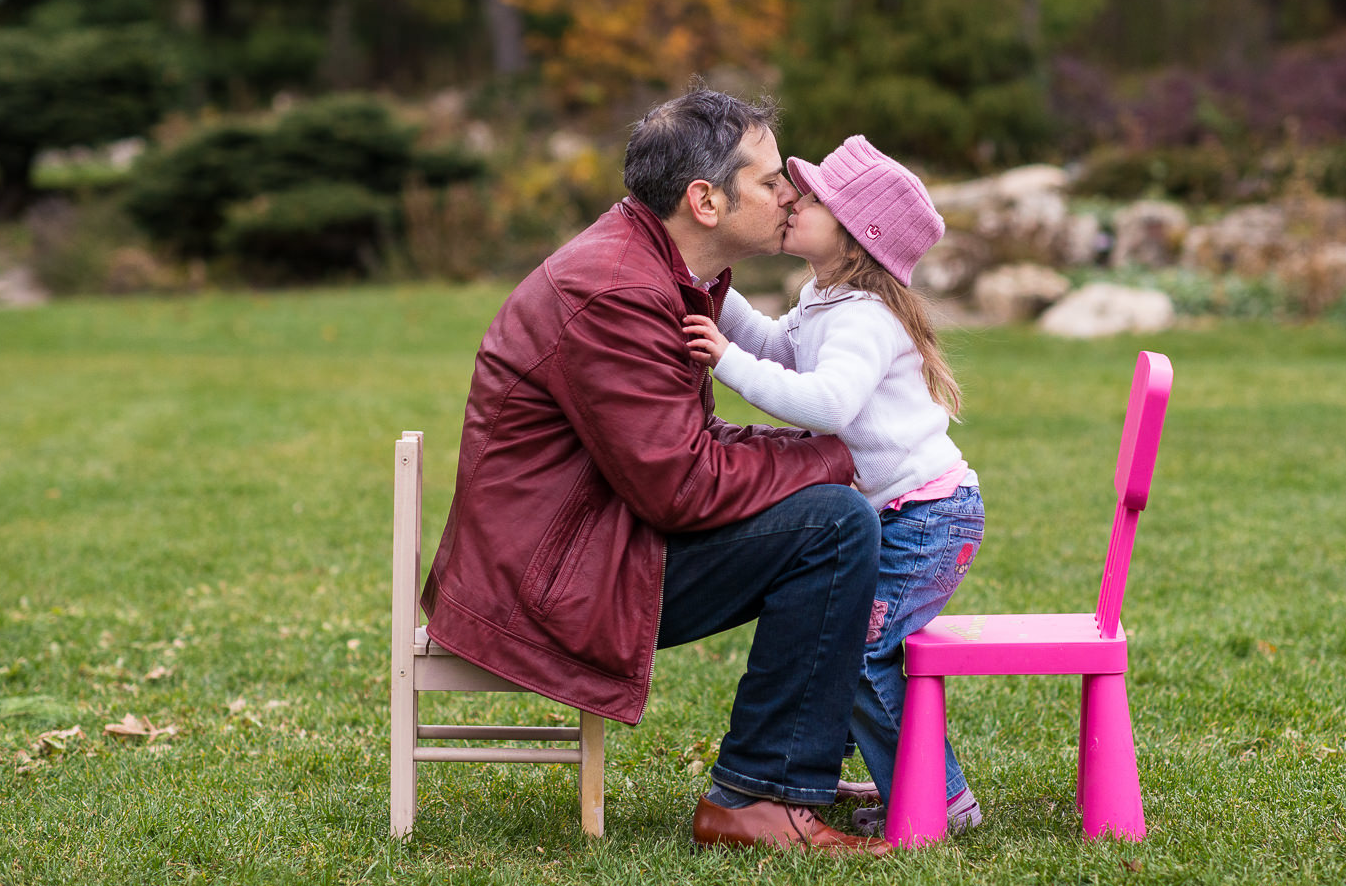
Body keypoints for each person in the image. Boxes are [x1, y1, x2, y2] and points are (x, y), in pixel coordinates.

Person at [421, 88, 893, 855]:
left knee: (829, 509)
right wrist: (835, 459)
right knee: (835, 527)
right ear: (705, 200)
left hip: (587, 539)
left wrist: (815, 461)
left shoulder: (658, 268)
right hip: (549, 580)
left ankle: (782, 775)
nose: (789, 194)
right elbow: (680, 486)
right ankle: (759, 797)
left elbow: (680, 444)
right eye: (771, 180)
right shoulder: (615, 290)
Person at [683, 134, 986, 837]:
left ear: (855, 233)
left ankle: (941, 801)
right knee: (854, 648)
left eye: (813, 198)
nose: (793, 199)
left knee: (863, 655)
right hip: (903, 514)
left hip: (926, 519)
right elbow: (776, 344)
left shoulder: (863, 318)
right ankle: (911, 785)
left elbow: (826, 404)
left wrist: (723, 361)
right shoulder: (826, 297)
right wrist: (709, 281)